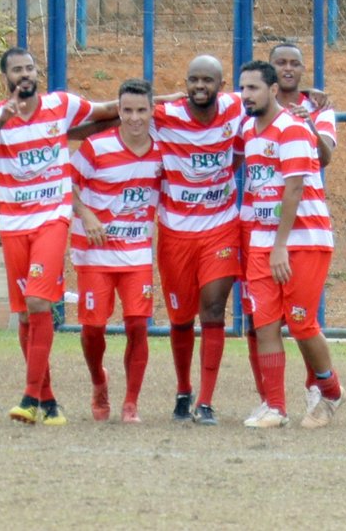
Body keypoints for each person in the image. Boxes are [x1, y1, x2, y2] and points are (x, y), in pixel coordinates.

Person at [0, 47, 118, 426]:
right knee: (24, 312)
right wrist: (3, 118)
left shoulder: (60, 105)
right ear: (5, 77)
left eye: (30, 68)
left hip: (53, 218)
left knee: (38, 300)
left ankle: (29, 396)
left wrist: (161, 102)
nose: (25, 74)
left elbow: (106, 110)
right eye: (17, 70)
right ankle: (48, 400)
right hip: (13, 224)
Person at [236, 60, 345, 429]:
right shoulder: (250, 133)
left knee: (300, 323)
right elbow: (256, 189)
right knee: (264, 323)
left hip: (304, 239)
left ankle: (331, 391)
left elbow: (294, 189)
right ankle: (276, 408)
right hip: (265, 240)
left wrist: (279, 246)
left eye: (253, 88)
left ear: (271, 90)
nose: (246, 96)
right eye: (242, 89)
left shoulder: (293, 129)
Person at [152, 55, 246, 425]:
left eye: (207, 80)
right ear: (185, 83)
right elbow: (130, 110)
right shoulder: (168, 115)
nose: (199, 87)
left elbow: (272, 93)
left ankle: (206, 402)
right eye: (193, 80)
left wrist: (311, 96)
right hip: (175, 233)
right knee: (179, 319)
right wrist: (160, 98)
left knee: (213, 311)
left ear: (221, 86)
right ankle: (183, 389)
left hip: (220, 227)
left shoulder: (235, 108)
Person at [70, 78, 162, 424]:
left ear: (153, 111)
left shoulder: (162, 152)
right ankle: (99, 382)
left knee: (138, 325)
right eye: (127, 110)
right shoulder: (96, 147)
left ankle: (131, 403)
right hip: (94, 253)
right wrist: (87, 213)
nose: (135, 118)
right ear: (118, 111)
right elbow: (67, 184)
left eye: (141, 110)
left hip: (137, 253)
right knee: (93, 329)